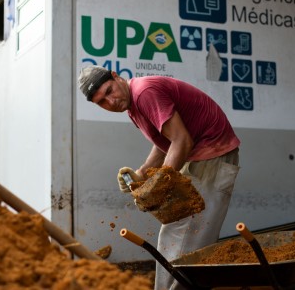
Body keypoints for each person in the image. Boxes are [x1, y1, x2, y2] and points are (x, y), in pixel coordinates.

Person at [78, 65, 240, 290]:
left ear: (116, 77)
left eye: (109, 91)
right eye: (102, 102)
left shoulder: (144, 93)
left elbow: (182, 141)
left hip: (213, 152)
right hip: (198, 156)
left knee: (193, 235)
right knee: (177, 227)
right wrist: (143, 173)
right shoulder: (132, 104)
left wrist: (159, 185)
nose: (111, 102)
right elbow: (165, 141)